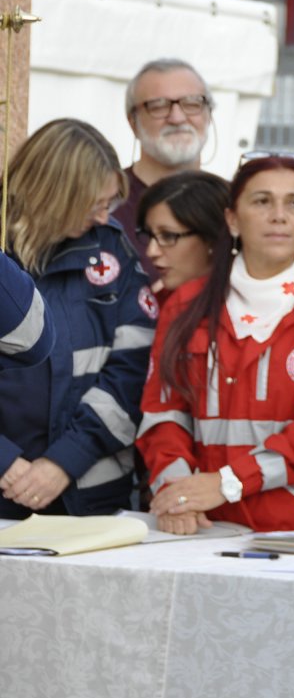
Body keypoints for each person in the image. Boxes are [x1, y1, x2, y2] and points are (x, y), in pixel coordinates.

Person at [136, 154, 294, 535]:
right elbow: (162, 415)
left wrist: (228, 483)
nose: (279, 215)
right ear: (232, 219)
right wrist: (177, 494)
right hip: (199, 527)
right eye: (262, 201)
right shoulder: (183, 306)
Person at [0, 119, 153, 518]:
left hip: (89, 498)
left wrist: (65, 460)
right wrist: (3, 462)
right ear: (54, 194)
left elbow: (133, 370)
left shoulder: (112, 247)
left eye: (109, 204)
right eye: (94, 204)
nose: (103, 217)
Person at [112, 60, 213, 277]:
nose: (177, 118)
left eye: (192, 103)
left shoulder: (232, 204)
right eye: (158, 106)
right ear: (132, 122)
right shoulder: (105, 204)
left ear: (209, 114)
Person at [136, 170, 230, 296]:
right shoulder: (155, 302)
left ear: (212, 238)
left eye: (168, 236)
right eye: (149, 235)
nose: (151, 252)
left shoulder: (236, 310)